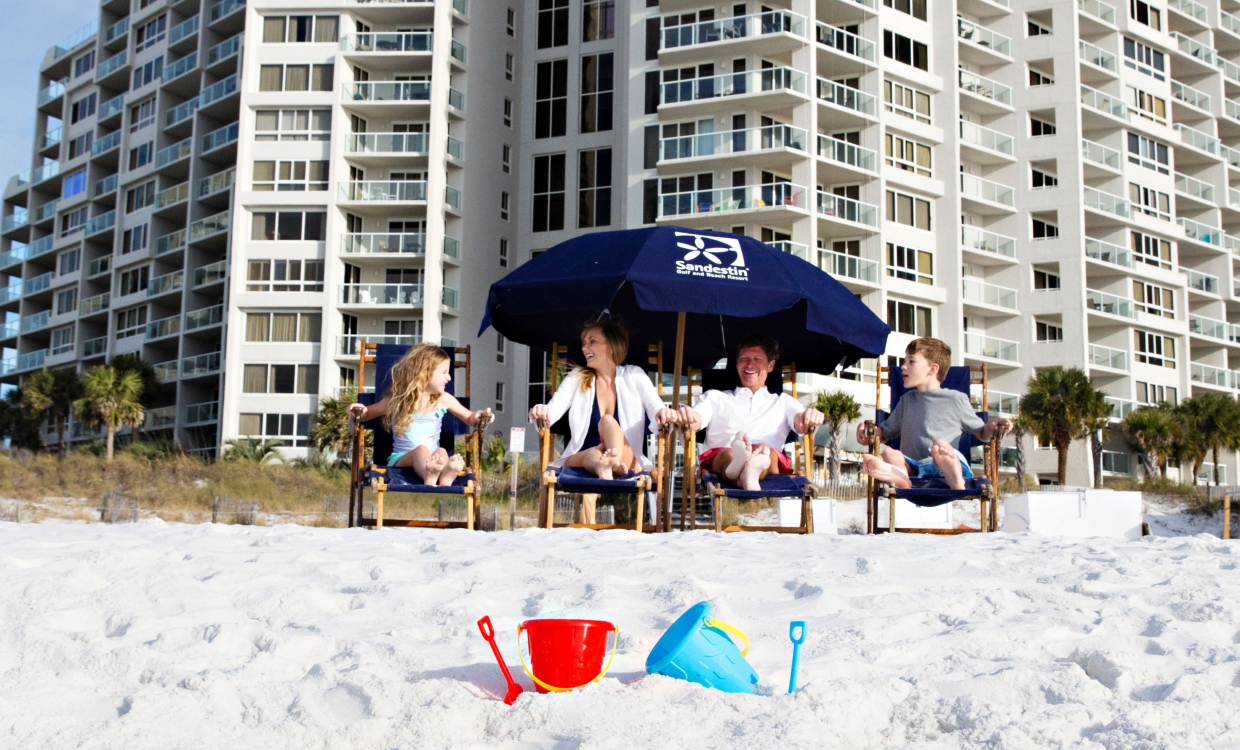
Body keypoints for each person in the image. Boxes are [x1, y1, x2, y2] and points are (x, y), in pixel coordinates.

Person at [529, 318, 678, 481]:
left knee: (607, 421)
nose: (584, 348)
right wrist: (540, 410)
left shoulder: (634, 375)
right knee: (593, 453)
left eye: (592, 341)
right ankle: (603, 465)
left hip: (626, 460)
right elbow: (552, 410)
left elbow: (656, 409)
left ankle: (612, 460)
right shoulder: (577, 378)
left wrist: (664, 412)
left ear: (612, 346)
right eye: (584, 343)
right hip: (583, 457)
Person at [857, 337, 1012, 490]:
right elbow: (884, 433)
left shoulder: (955, 399)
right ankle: (902, 479)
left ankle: (956, 482)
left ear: (933, 369)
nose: (903, 366)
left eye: (911, 361)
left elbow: (982, 433)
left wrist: (994, 426)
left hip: (948, 464)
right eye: (905, 361)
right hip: (916, 469)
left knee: (940, 446)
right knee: (890, 453)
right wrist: (867, 430)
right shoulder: (906, 401)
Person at [677, 334, 824, 491]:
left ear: (770, 366)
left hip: (767, 462)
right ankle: (744, 469)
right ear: (737, 363)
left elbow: (801, 424)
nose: (750, 364)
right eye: (744, 358)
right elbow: (697, 419)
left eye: (758, 359)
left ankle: (745, 471)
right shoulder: (714, 397)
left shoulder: (783, 402)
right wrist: (687, 416)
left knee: (767, 453)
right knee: (729, 454)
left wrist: (810, 417)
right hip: (724, 457)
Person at [348, 343, 492, 486]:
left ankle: (446, 476)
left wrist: (480, 416)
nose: (449, 378)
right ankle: (429, 474)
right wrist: (359, 409)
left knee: (442, 451)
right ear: (424, 373)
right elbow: (367, 414)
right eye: (444, 372)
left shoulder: (444, 399)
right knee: (421, 450)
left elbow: (469, 418)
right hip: (401, 458)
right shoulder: (396, 402)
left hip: (433, 457)